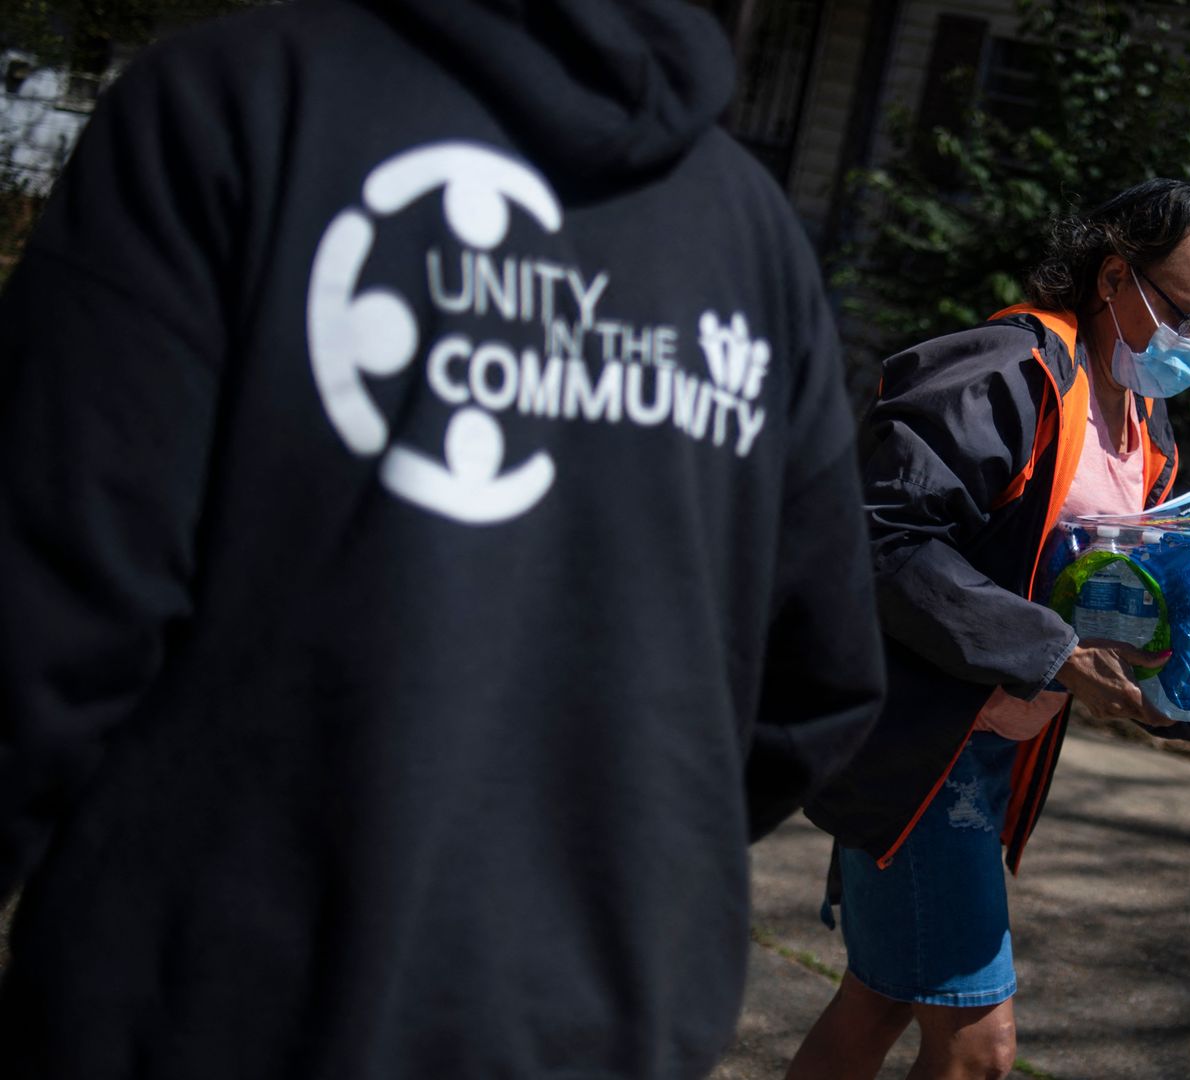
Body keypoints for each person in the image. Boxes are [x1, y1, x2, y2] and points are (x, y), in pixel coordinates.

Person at [0, 1, 884, 1077]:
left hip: (217, 1016)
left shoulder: (231, 104)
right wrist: (596, 860)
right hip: (606, 1020)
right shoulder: (752, 235)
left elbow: (44, 624)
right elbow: (819, 682)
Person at [788, 178, 1190, 1080]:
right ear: (1113, 280)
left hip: (993, 755)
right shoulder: (1008, 373)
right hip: (919, 750)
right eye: (1184, 315)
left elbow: (1124, 602)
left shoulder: (1146, 423)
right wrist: (1054, 655)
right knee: (981, 1051)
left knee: (881, 996)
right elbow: (878, 536)